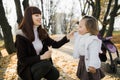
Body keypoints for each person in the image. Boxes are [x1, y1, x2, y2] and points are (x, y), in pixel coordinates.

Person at [15, 6, 70, 80]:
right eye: (36, 15)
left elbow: (55, 44)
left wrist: (67, 37)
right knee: (46, 64)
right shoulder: (21, 35)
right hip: (27, 68)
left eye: (40, 15)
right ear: (28, 17)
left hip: (39, 64)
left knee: (55, 74)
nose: (40, 17)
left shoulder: (41, 32)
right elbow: (22, 60)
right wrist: (42, 57)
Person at [69, 16, 105, 80]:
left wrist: (92, 65)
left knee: (90, 77)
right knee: (83, 77)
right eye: (78, 26)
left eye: (80, 27)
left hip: (89, 63)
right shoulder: (82, 36)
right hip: (83, 61)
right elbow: (77, 38)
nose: (78, 28)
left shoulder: (92, 39)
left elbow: (94, 53)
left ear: (88, 28)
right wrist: (73, 34)